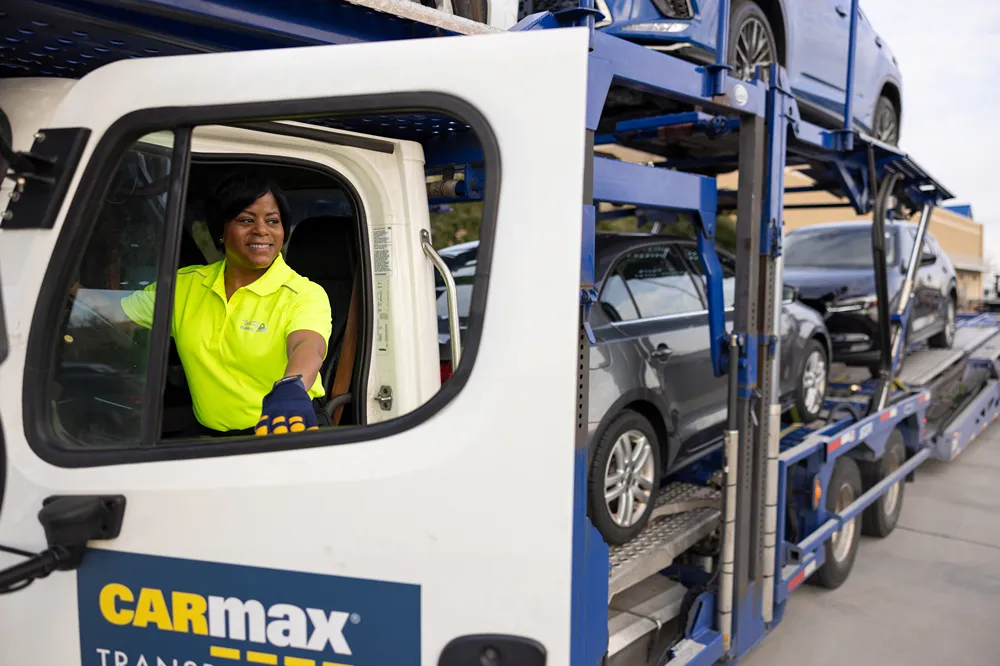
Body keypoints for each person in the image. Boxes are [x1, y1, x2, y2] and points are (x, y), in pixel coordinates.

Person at [115, 172, 334, 437]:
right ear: (220, 230)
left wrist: (291, 385)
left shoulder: (304, 293)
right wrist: (73, 295)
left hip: (286, 431)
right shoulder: (183, 287)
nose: (262, 230)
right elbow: (106, 315)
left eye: (273, 221)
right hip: (212, 439)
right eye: (246, 220)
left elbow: (308, 344)